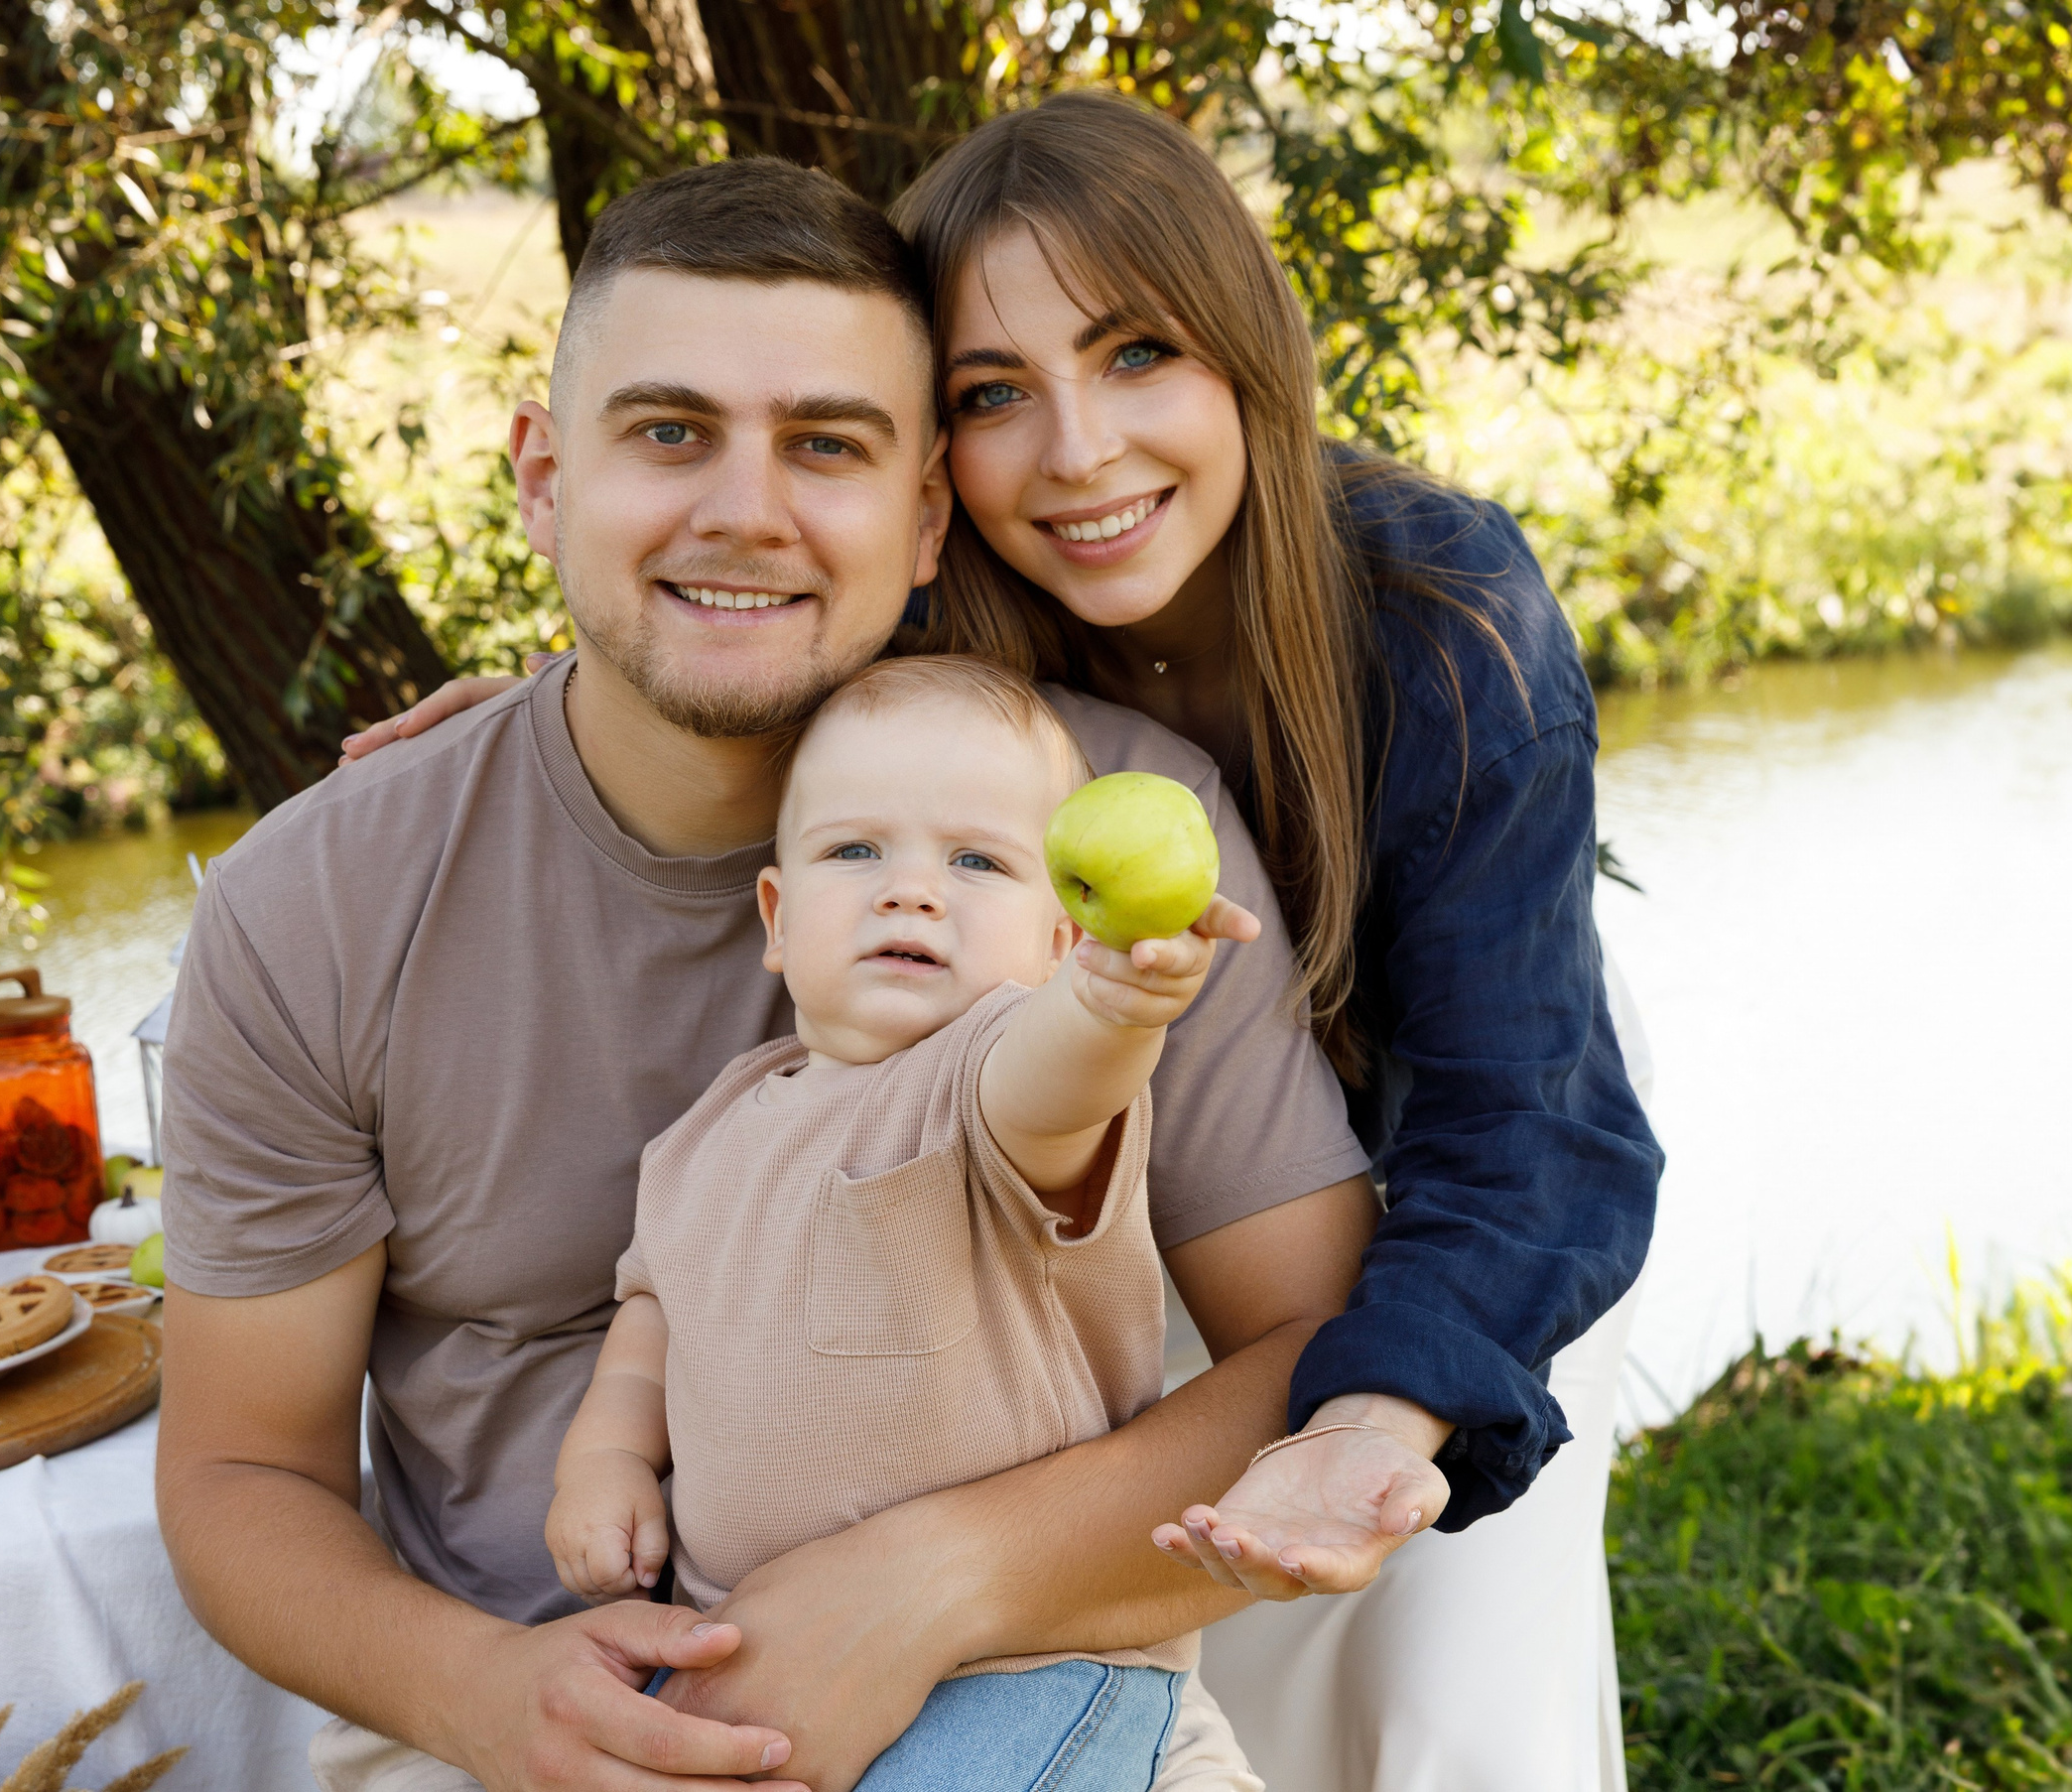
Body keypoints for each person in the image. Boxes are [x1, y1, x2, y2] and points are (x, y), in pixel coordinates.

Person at [357, 92, 1665, 1790]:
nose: (1077, 452)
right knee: (1156, 1634)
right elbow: (738, 646)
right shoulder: (940, 590)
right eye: (992, 394)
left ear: (1250, 353)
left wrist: (1377, 1406)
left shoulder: (1440, 614)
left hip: (1468, 1173)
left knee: (1436, 1696)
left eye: (1139, 355)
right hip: (1100, 1162)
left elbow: (1525, 1115)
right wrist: (548, 706)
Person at [158, 156, 1380, 1792]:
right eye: (670, 433)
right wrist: (484, 1697)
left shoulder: (1101, 832)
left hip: (1025, 1686)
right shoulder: (314, 904)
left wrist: (936, 1584)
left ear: (927, 515)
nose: (745, 510)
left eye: (826, 445)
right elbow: (242, 1471)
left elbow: (1319, 1348)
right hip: (503, 1716)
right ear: (545, 478)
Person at [550, 653, 1262, 1790]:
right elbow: (654, 1315)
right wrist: (605, 1461)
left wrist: (1116, 1010)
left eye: (976, 862)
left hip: (1023, 1659)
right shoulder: (707, 1132)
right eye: (854, 851)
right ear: (776, 917)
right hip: (755, 1649)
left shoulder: (981, 1082)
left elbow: (1058, 1077)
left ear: (1058, 940)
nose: (911, 891)